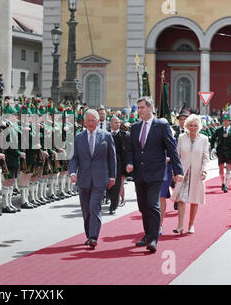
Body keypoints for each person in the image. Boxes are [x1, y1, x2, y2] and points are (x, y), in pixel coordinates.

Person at [126, 96, 183, 253]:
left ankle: (153, 238)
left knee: (153, 204)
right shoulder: (136, 127)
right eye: (138, 108)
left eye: (142, 108)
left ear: (150, 108)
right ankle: (147, 234)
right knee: (143, 206)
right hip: (139, 173)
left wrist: (178, 171)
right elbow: (131, 148)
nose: (139, 111)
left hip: (156, 173)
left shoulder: (161, 125)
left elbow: (172, 148)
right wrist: (130, 162)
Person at [70, 109, 116, 249]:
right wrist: (73, 172)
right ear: (84, 122)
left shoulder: (106, 136)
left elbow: (112, 157)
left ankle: (93, 236)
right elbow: (73, 158)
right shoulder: (78, 137)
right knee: (86, 209)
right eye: (88, 120)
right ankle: (89, 234)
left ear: (98, 121)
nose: (90, 123)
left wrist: (112, 176)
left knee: (94, 206)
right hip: (84, 179)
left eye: (93, 120)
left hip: (100, 178)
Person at [171, 114, 209, 234]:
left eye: (195, 125)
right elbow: (177, 156)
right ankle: (180, 225)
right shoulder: (182, 137)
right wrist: (175, 171)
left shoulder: (204, 139)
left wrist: (204, 170)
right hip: (183, 172)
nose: (193, 127)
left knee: (194, 199)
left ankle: (191, 225)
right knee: (181, 199)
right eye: (191, 125)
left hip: (197, 173)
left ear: (199, 126)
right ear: (187, 126)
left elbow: (205, 157)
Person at [210, 112, 231, 192]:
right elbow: (212, 139)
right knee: (220, 169)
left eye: (227, 120)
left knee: (228, 168)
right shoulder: (218, 130)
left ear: (230, 121)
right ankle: (222, 183)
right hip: (220, 151)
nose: (226, 122)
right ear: (222, 121)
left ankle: (226, 185)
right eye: (224, 120)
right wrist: (213, 148)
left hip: (230, 151)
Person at [107, 116, 128, 215]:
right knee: (108, 185)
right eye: (115, 122)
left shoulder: (124, 135)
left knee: (116, 184)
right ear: (111, 123)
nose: (118, 124)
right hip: (106, 163)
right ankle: (109, 198)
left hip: (119, 163)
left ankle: (113, 205)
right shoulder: (105, 134)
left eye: (119, 122)